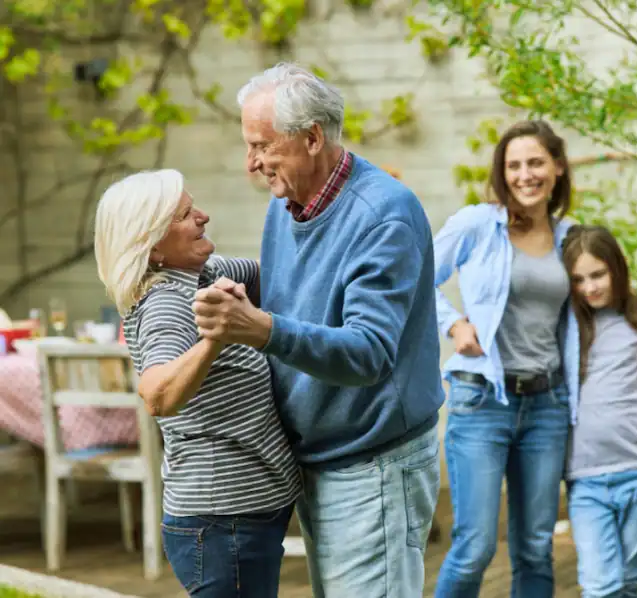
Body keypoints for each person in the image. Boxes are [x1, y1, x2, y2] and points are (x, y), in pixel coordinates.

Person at [191, 63, 443, 598]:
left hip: (374, 463)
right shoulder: (287, 203)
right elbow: (291, 286)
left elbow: (368, 352)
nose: (251, 163)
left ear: (311, 138)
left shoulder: (383, 216)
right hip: (320, 459)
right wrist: (195, 274)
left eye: (262, 145)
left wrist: (261, 329)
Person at [94, 169, 301, 598]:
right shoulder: (167, 301)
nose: (203, 216)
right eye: (186, 214)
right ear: (151, 246)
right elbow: (158, 394)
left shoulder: (206, 274)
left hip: (245, 513)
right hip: (222, 522)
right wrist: (216, 340)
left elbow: (287, 273)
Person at [432, 120, 577, 598]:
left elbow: (605, 301)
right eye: (513, 165)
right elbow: (412, 279)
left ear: (557, 167)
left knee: (536, 546)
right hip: (482, 402)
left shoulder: (571, 237)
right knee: (474, 546)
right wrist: (455, 324)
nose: (524, 174)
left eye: (536, 162)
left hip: (547, 404)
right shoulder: (478, 225)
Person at [562, 225, 637, 598]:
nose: (590, 287)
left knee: (629, 583)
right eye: (578, 279)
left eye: (598, 275)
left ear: (617, 269)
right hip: (587, 477)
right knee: (600, 585)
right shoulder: (568, 328)